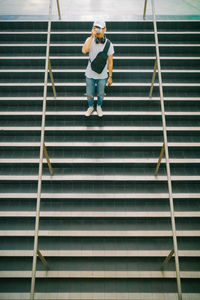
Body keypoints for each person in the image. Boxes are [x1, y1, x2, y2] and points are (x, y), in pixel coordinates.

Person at [82, 20, 114, 117]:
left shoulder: (109, 44)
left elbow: (110, 62)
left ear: (105, 29)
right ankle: (91, 106)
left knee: (101, 93)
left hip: (103, 75)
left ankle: (99, 106)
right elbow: (84, 51)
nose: (98, 30)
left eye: (100, 28)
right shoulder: (89, 40)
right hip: (90, 74)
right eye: (96, 28)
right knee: (89, 93)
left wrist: (110, 76)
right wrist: (92, 36)